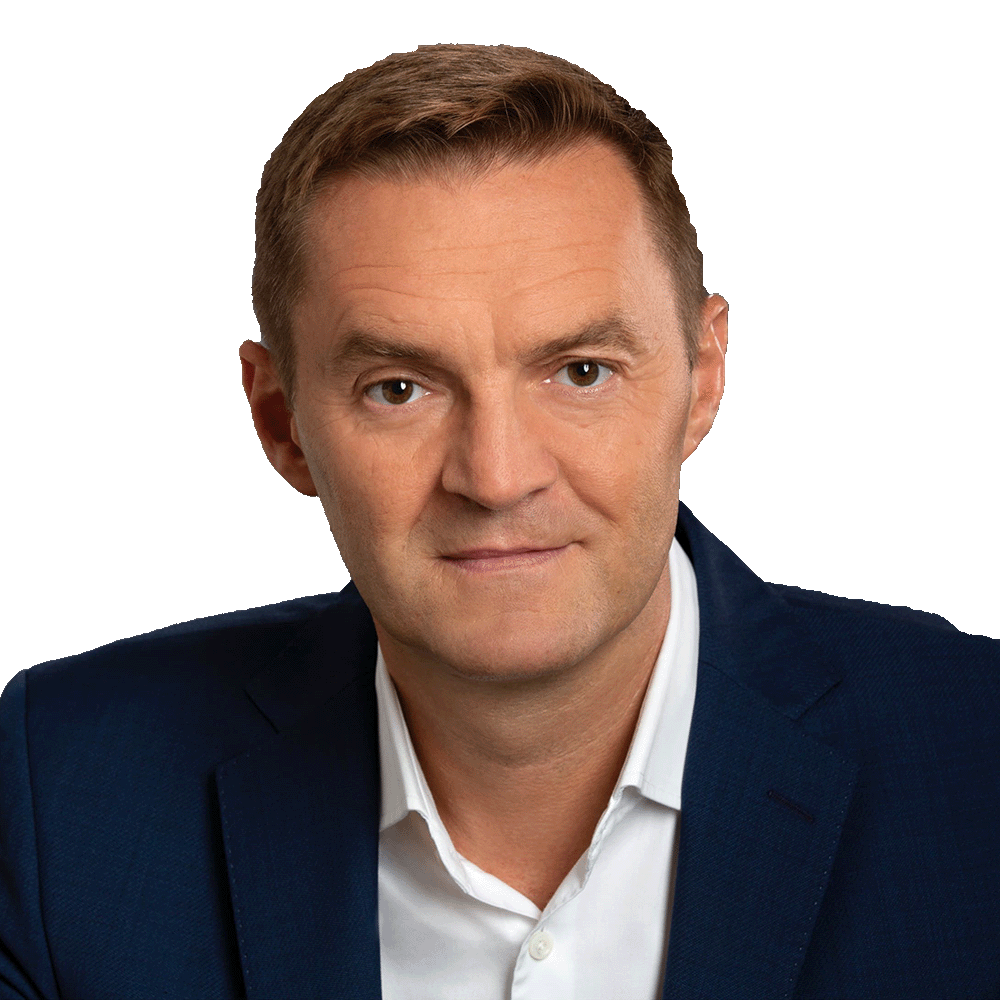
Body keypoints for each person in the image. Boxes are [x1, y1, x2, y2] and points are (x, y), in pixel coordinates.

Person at [1, 42, 997, 1000]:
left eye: (580, 372)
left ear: (702, 379)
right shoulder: (64, 796)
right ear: (281, 422)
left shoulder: (975, 752)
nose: (497, 477)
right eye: (399, 387)